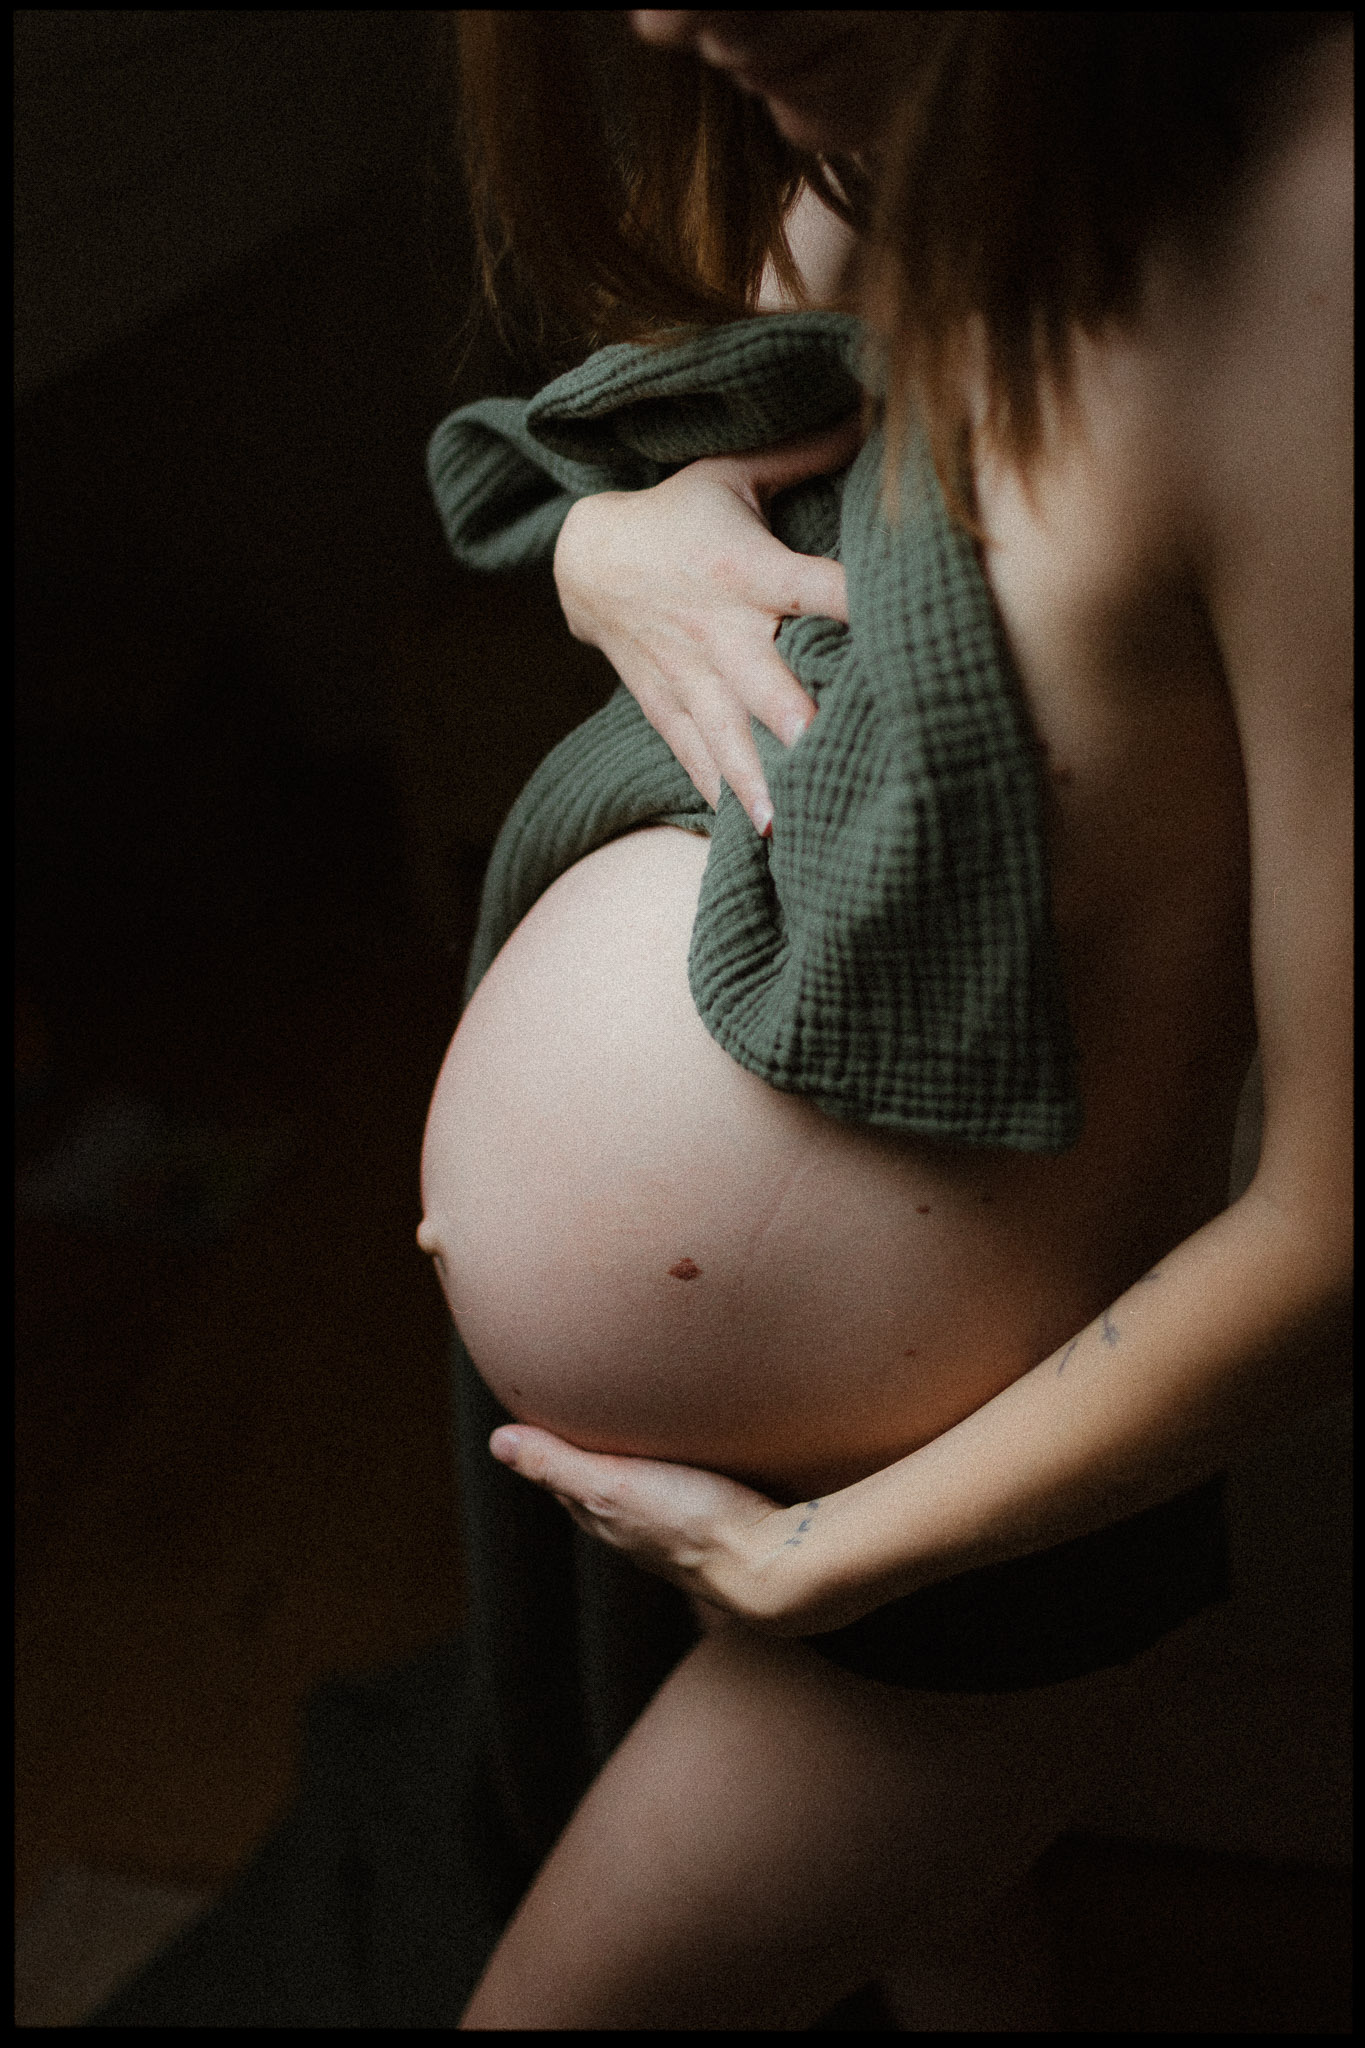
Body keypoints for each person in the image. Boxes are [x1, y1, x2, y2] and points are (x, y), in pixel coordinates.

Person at [417, 11, 1352, 2027]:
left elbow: (1341, 1222)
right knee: (942, 1966)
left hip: (944, 1551)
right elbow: (733, 489)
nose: (672, 15)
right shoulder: (849, 121)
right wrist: (598, 546)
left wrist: (829, 1560)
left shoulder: (1310, 273)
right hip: (712, 1480)